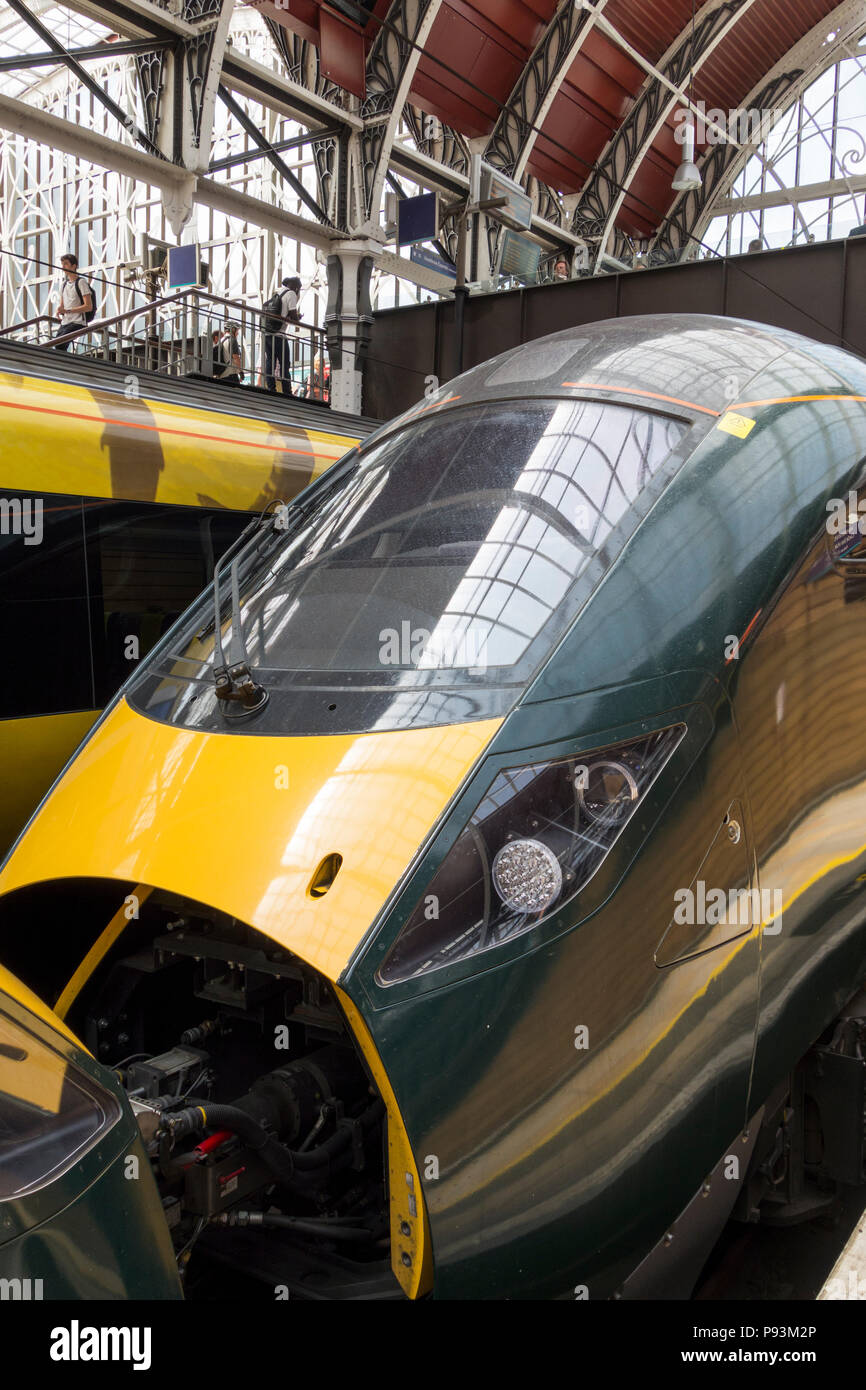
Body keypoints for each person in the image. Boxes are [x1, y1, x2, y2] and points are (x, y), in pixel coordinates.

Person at [264, 275, 302, 394]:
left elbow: (282, 312)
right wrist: (297, 318)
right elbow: (293, 315)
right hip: (279, 335)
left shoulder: (279, 293)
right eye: (299, 288)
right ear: (296, 287)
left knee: (270, 362)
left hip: (267, 333)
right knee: (284, 364)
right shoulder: (291, 294)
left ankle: (271, 388)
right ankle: (287, 391)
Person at [52, 252, 92, 350]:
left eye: (66, 264)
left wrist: (68, 310)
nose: (63, 267)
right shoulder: (64, 285)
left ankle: (64, 364)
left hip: (77, 322)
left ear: (74, 266)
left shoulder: (81, 282)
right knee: (58, 345)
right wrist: (59, 310)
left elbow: (88, 306)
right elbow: (62, 305)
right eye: (62, 264)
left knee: (60, 344)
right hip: (66, 321)